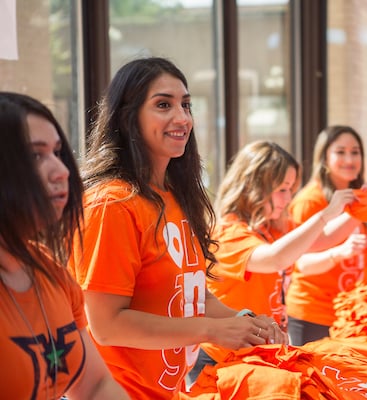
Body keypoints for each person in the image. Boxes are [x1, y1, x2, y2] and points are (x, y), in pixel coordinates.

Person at [68, 57, 287, 399]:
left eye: (186, 104)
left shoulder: (175, 197)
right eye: (163, 105)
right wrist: (212, 331)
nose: (182, 118)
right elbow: (106, 325)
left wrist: (246, 321)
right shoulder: (111, 204)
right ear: (128, 117)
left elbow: (191, 294)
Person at [188, 140, 358, 379]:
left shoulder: (272, 227)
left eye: (290, 189)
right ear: (254, 186)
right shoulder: (228, 233)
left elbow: (322, 239)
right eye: (282, 189)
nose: (288, 198)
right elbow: (275, 259)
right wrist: (326, 214)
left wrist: (363, 210)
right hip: (221, 359)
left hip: (257, 356)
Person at [0, 92, 128, 399]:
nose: (62, 171)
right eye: (35, 156)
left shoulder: (49, 269)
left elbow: (95, 385)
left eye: (58, 152)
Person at [286, 125, 367, 345]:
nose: (350, 159)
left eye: (355, 152)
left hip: (349, 313)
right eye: (340, 152)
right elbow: (300, 263)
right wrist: (339, 252)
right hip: (312, 314)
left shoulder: (358, 196)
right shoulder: (310, 201)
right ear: (324, 157)